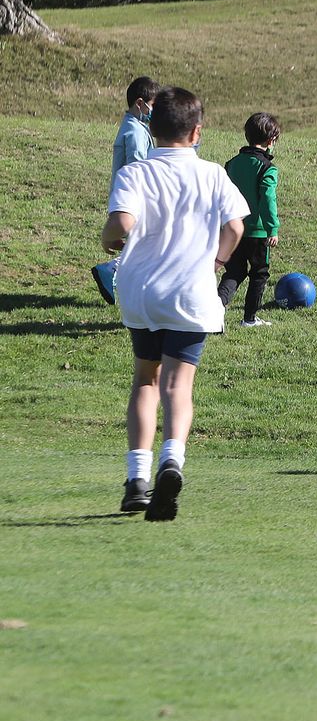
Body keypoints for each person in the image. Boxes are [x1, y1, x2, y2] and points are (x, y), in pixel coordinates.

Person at [102, 87, 249, 520]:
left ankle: (136, 481)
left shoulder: (136, 172)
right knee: (177, 385)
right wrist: (217, 261)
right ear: (197, 131)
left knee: (146, 379)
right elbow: (236, 227)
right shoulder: (214, 174)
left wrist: (109, 238)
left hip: (142, 293)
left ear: (151, 128)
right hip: (191, 291)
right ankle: (173, 460)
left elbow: (119, 228)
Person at [91, 76, 160, 304]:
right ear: (140, 103)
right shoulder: (135, 132)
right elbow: (137, 166)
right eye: (153, 105)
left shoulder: (137, 127)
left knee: (145, 246)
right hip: (134, 199)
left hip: (129, 198)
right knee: (149, 245)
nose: (154, 111)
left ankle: (124, 282)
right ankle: (111, 269)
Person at [219, 112, 282, 327]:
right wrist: (272, 228)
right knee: (259, 274)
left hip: (232, 229)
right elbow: (267, 198)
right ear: (271, 140)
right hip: (257, 232)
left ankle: (217, 308)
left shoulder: (231, 164)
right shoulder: (268, 168)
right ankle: (249, 319)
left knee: (234, 271)